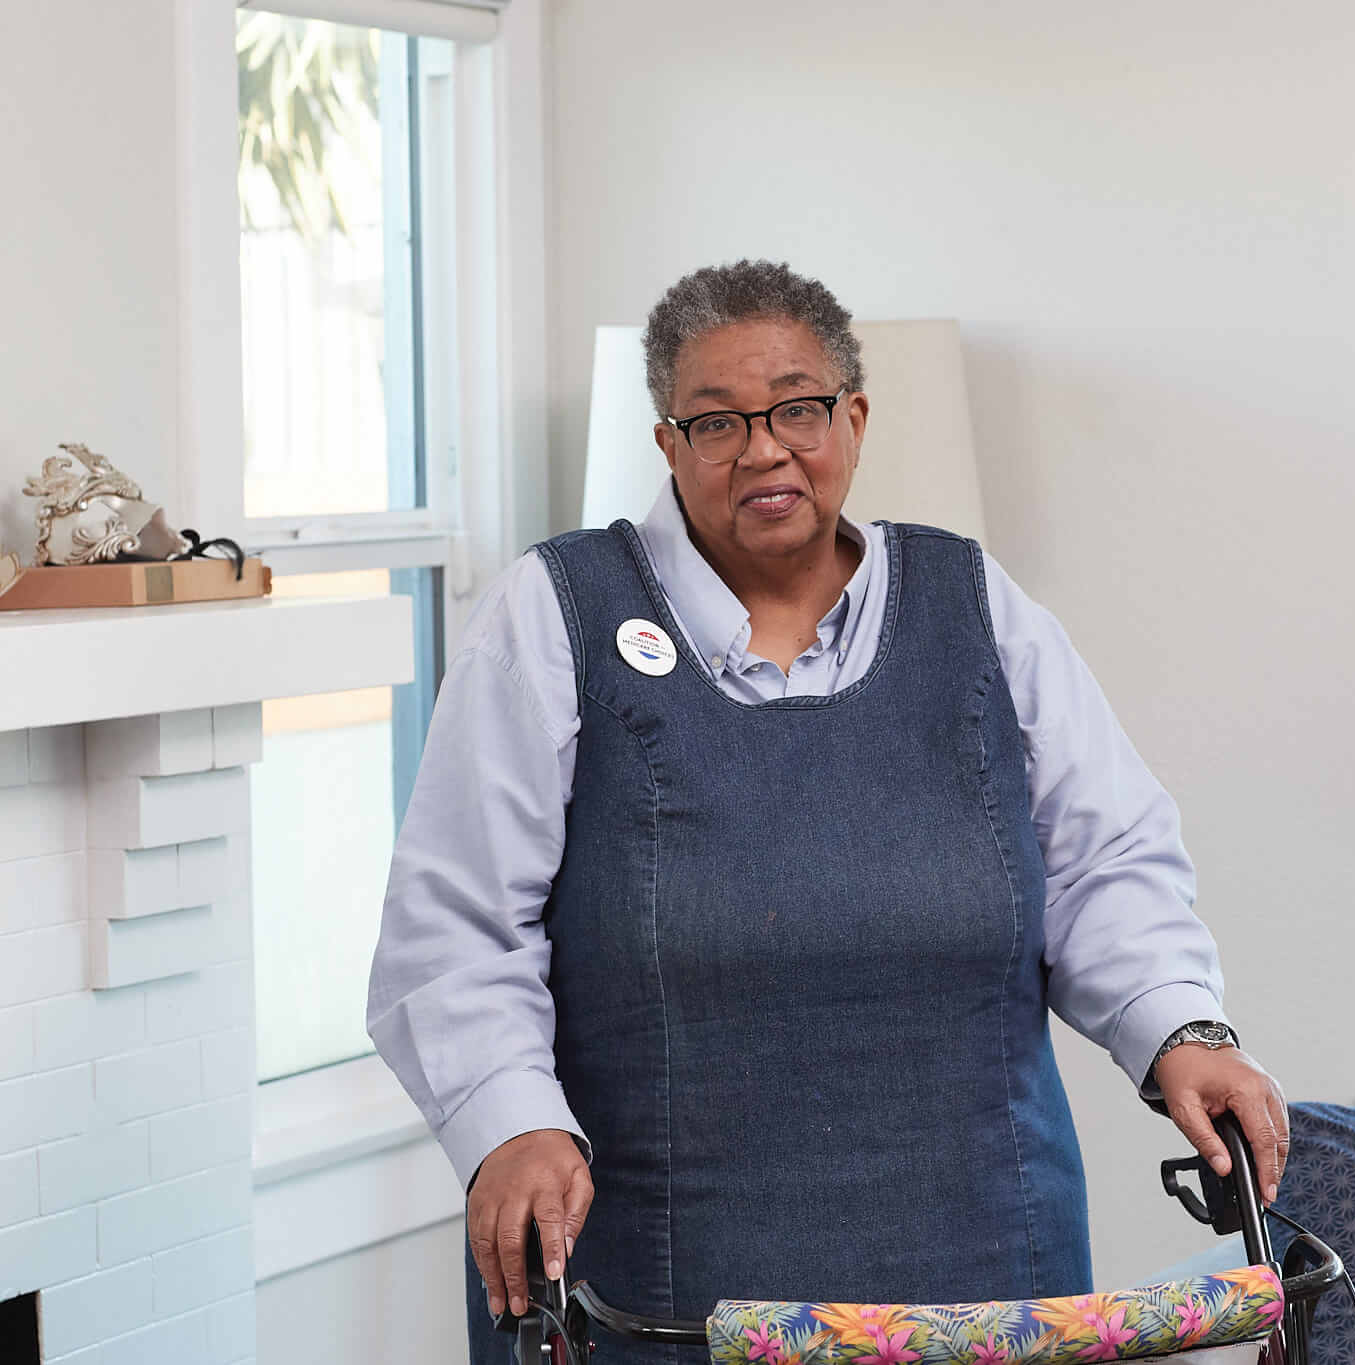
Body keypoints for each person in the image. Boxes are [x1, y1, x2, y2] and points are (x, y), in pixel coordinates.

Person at [367, 260, 1288, 1364]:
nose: (763, 448)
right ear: (668, 446)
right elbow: (454, 925)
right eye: (716, 422)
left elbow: (1107, 862)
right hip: (665, 1287)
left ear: (852, 418)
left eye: (796, 409)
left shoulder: (974, 602)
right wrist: (508, 1124)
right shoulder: (554, 613)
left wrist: (1179, 1028)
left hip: (987, 1273)